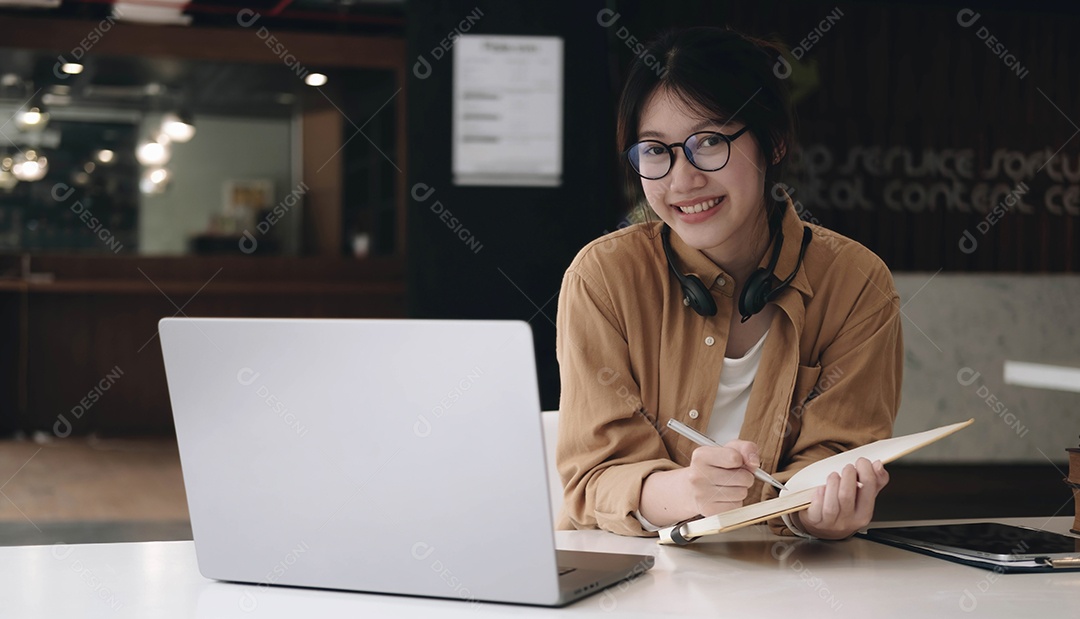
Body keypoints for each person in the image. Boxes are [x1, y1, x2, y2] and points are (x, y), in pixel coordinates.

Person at [555, 26, 902, 540]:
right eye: (655, 150)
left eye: (710, 142)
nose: (682, 180)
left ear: (774, 141)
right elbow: (594, 477)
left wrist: (823, 514)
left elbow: (836, 457)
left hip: (788, 581)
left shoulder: (856, 283)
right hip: (631, 578)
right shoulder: (604, 278)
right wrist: (688, 492)